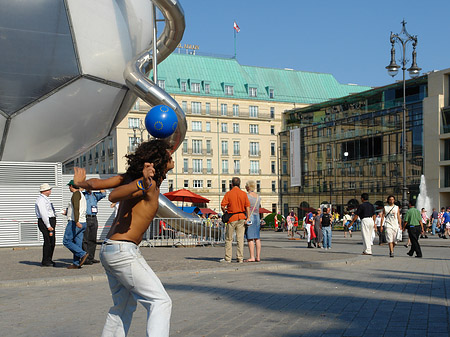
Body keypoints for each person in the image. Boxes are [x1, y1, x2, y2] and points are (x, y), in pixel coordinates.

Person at [75, 139, 174, 337]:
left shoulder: (130, 177)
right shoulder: (146, 184)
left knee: (124, 305)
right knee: (160, 301)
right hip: (122, 251)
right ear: (160, 161)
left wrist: (81, 183)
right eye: (169, 156)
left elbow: (98, 183)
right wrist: (141, 183)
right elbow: (113, 196)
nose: (173, 158)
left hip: (111, 250)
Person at [220, 177, 250, 263]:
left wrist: (224, 211)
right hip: (241, 217)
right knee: (240, 239)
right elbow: (247, 206)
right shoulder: (243, 194)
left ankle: (228, 258)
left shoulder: (228, 194)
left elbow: (223, 206)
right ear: (240, 184)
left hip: (231, 218)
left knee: (229, 239)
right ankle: (240, 258)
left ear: (231, 184)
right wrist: (248, 217)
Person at [63, 180, 88, 269]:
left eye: (69, 186)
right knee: (78, 243)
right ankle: (76, 263)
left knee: (66, 241)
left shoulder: (76, 194)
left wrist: (76, 221)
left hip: (76, 222)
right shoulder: (82, 194)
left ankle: (82, 254)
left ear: (71, 186)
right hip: (83, 221)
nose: (69, 188)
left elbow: (76, 208)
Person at [82, 188, 106, 265]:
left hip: (94, 217)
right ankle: (85, 258)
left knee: (92, 239)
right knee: (85, 239)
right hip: (86, 217)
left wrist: (97, 186)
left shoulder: (94, 195)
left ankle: (91, 257)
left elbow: (103, 194)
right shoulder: (83, 195)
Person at [35, 183, 57, 267]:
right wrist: (48, 225)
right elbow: (43, 213)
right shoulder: (41, 200)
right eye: (49, 189)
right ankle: (46, 260)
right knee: (48, 241)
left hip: (50, 220)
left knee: (52, 241)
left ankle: (49, 259)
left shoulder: (46, 199)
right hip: (45, 222)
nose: (50, 191)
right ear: (44, 191)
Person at [244, 180, 261, 262]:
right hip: (257, 216)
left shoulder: (247, 196)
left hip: (250, 216)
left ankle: (252, 257)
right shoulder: (258, 196)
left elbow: (246, 207)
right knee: (257, 237)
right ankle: (258, 256)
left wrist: (247, 217)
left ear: (248, 187)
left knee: (250, 238)